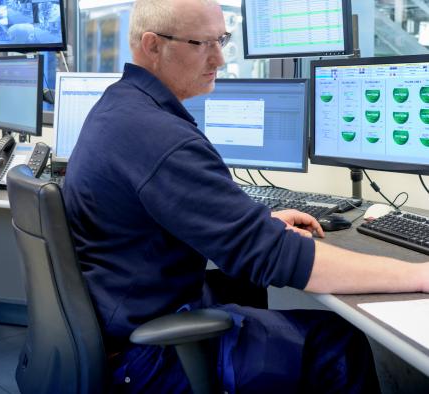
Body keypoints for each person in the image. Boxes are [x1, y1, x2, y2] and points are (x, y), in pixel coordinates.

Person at [62, 0, 429, 392]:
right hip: (146, 358)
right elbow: (277, 256)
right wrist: (418, 275)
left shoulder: (121, 107)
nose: (219, 58)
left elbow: (189, 220)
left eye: (222, 40)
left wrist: (261, 224)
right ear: (153, 46)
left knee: (250, 292)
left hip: (124, 317)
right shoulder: (159, 137)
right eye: (203, 44)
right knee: (336, 342)